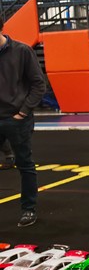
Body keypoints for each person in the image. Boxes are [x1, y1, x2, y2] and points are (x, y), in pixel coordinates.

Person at [0, 14, 46, 227]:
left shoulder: (22, 51)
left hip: (16, 118)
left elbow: (38, 84)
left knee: (25, 164)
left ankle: (29, 208)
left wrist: (23, 112)